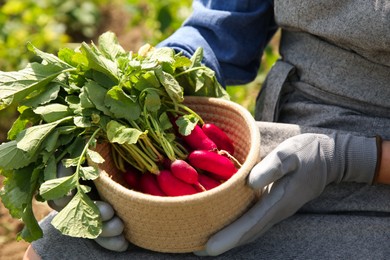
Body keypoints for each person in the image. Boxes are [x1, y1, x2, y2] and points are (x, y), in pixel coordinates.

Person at [24, 0, 390, 259]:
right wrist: (167, 70)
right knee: (60, 248)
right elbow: (226, 22)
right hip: (281, 145)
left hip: (378, 178)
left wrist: (354, 159)